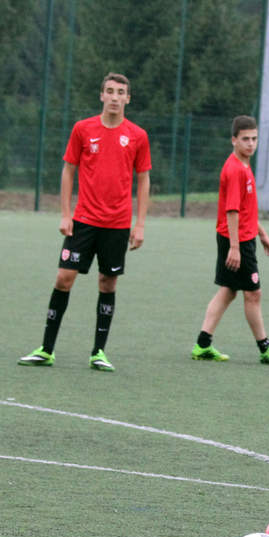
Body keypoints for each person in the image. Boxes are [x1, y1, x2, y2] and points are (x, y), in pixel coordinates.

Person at [18, 72, 151, 371]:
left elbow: (143, 179)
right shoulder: (82, 129)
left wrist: (140, 223)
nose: (115, 97)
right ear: (101, 95)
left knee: (107, 282)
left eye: (120, 92)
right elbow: (68, 170)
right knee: (63, 278)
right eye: (110, 91)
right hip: (83, 221)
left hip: (117, 224)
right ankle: (46, 349)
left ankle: (98, 352)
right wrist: (66, 214)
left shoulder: (138, 136)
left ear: (128, 98)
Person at [190, 115, 269, 365]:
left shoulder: (244, 165)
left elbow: (247, 210)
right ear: (233, 140)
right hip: (237, 241)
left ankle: (202, 344)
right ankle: (265, 348)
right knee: (253, 293)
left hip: (239, 238)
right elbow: (232, 211)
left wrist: (262, 234)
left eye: (254, 139)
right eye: (245, 139)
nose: (251, 144)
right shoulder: (235, 169)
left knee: (228, 290)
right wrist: (235, 247)